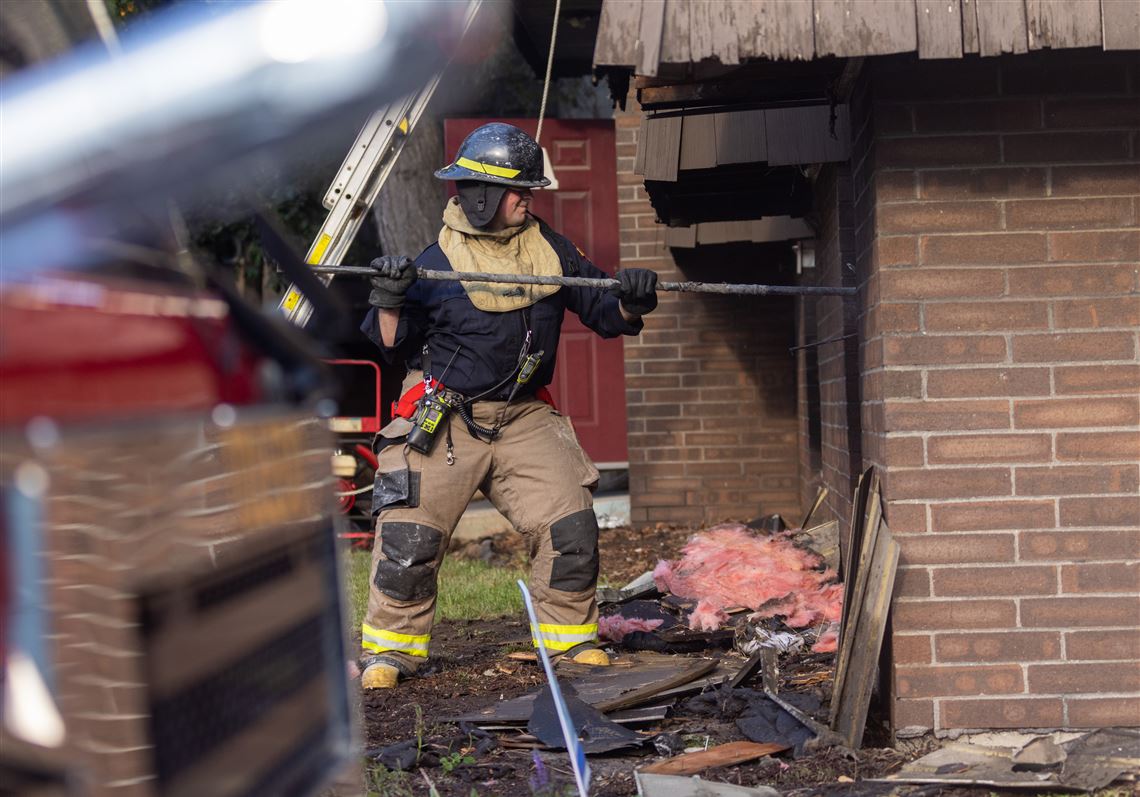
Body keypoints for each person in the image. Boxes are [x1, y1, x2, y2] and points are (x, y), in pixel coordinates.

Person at [357, 122, 658, 689]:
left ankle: (569, 642)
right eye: (521, 190)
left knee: (571, 524)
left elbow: (605, 315)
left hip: (523, 416)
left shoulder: (552, 252)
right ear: (482, 196)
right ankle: (392, 652)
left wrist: (632, 300)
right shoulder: (436, 263)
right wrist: (389, 295)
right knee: (410, 538)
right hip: (445, 418)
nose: (530, 198)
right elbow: (391, 342)